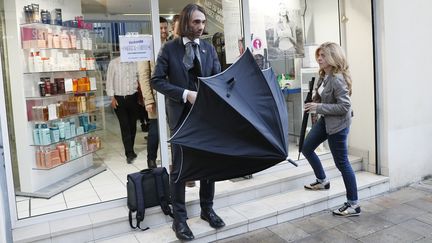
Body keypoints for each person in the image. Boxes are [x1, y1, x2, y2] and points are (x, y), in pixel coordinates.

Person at [151, 3, 225, 241]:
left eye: (203, 22)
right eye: (196, 22)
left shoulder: (208, 49)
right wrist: (185, 94)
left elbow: (216, 78)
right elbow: (157, 81)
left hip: (207, 118)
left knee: (209, 166)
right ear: (185, 22)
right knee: (181, 170)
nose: (201, 27)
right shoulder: (169, 49)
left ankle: (207, 209)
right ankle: (179, 220)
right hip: (181, 117)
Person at [302, 42, 360, 217]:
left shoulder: (337, 79)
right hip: (326, 121)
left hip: (338, 126)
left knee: (342, 163)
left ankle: (353, 204)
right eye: (318, 55)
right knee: (306, 147)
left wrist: (317, 106)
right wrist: (315, 98)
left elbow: (344, 107)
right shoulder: (325, 75)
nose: (319, 58)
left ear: (333, 58)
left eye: (323, 56)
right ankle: (322, 180)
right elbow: (325, 97)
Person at [106, 57, 140, 164]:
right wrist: (111, 97)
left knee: (132, 125)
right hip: (119, 99)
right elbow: (109, 81)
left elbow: (139, 79)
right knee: (125, 125)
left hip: (133, 98)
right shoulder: (114, 63)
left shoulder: (135, 62)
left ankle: (131, 149)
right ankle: (129, 153)